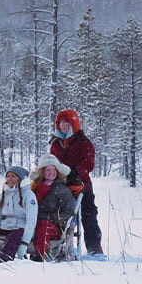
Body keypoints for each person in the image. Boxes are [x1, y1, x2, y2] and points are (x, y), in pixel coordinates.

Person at [49, 108, 103, 256]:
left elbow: (88, 163)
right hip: (60, 186)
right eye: (60, 123)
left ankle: (94, 249)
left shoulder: (83, 142)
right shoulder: (55, 143)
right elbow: (52, 160)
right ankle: (55, 246)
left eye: (66, 122)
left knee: (89, 216)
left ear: (73, 123)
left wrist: (75, 171)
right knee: (57, 215)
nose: (63, 125)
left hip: (81, 185)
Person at [30, 156, 80, 258]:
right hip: (32, 223)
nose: (51, 172)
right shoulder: (34, 189)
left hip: (54, 226)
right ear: (42, 172)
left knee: (43, 225)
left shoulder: (62, 190)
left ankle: (39, 255)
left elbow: (67, 212)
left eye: (54, 170)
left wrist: (49, 219)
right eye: (48, 169)